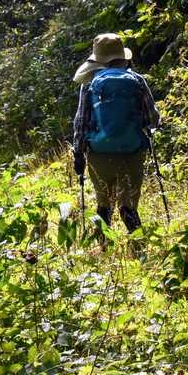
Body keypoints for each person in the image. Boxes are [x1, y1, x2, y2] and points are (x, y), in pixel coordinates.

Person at [72, 33, 160, 233]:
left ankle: (103, 242)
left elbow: (81, 122)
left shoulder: (89, 84)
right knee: (129, 203)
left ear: (99, 60)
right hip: (132, 151)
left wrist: (78, 153)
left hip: (99, 153)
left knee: (104, 202)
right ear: (122, 57)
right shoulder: (137, 80)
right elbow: (153, 119)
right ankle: (138, 242)